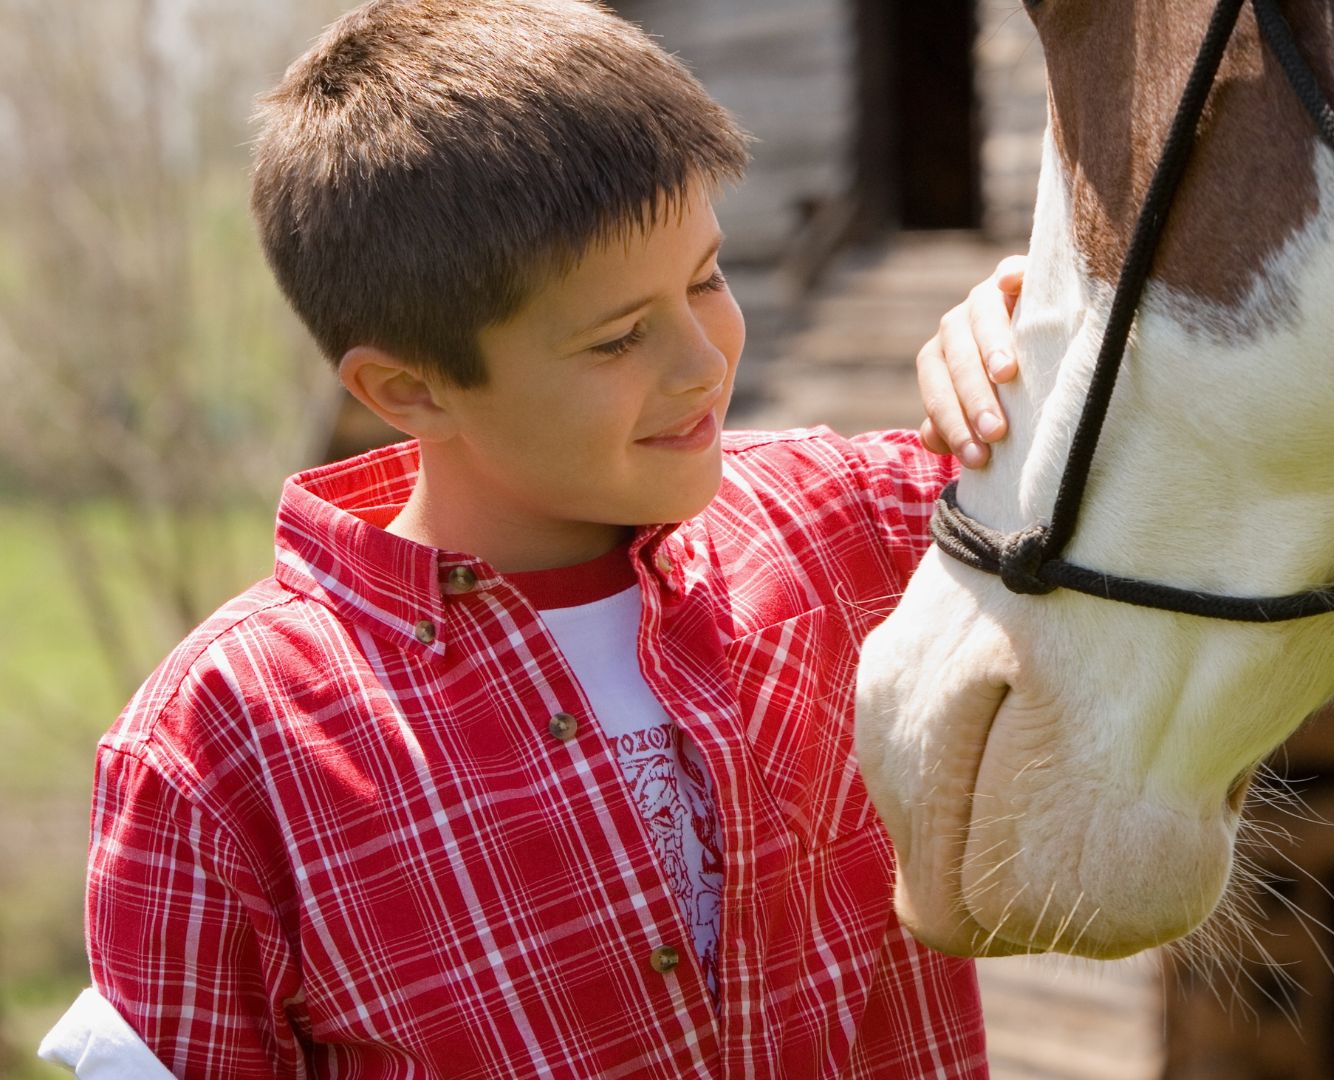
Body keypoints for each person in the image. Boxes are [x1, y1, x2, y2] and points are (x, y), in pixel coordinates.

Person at [38, 1, 1026, 1075]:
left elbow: (1155, 468)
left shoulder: (845, 523)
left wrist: (1046, 331)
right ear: (406, 388)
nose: (702, 363)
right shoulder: (223, 749)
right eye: (618, 338)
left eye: (707, 277)